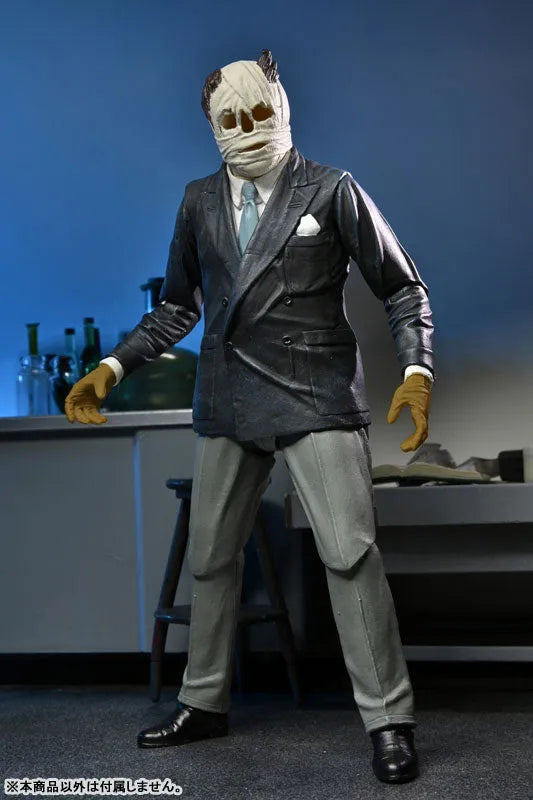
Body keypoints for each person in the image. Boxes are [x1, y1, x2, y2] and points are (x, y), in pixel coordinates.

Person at [65, 50, 434, 785]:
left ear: (282, 107)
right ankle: (202, 701)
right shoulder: (199, 200)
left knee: (350, 555)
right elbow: (178, 306)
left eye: (260, 111)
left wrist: (416, 372)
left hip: (314, 394)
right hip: (230, 394)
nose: (248, 127)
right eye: (231, 117)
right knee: (210, 557)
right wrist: (113, 366)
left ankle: (389, 720)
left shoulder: (331, 188)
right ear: (211, 123)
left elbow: (401, 287)